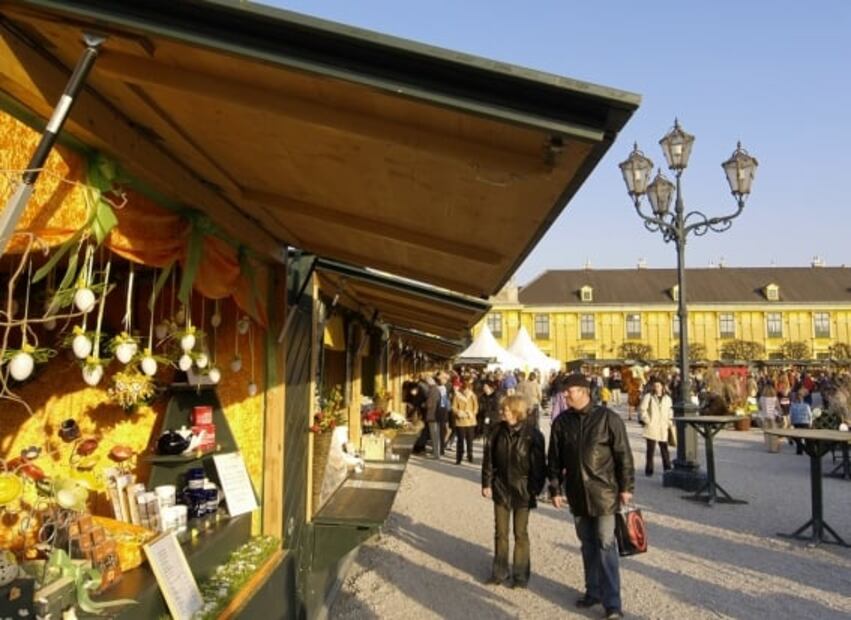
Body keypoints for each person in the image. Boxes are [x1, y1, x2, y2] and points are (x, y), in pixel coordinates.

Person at [548, 374, 634, 620]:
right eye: (565, 391)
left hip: (604, 492)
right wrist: (555, 488)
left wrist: (626, 487)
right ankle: (593, 591)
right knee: (587, 544)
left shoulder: (608, 418)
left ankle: (612, 603)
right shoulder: (562, 422)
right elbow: (554, 459)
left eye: (570, 390)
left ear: (584, 391)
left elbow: (623, 455)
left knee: (606, 544)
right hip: (577, 493)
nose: (565, 394)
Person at [481, 395, 546, 588]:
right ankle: (499, 572)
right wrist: (486, 483)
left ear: (516, 411)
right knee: (500, 532)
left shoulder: (533, 435)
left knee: (520, 533)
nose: (502, 412)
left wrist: (535, 488)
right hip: (501, 486)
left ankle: (520, 575)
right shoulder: (496, 432)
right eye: (502, 410)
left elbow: (539, 465)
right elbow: (489, 460)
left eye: (506, 410)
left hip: (523, 488)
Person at [639, 378, 673, 476]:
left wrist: (669, 421)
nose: (656, 388)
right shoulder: (648, 396)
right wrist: (647, 420)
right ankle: (649, 470)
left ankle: (667, 468)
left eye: (658, 386)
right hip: (652, 426)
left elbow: (670, 411)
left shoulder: (668, 398)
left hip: (663, 426)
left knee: (664, 449)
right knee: (650, 450)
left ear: (662, 386)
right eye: (655, 386)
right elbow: (642, 409)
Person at [452, 377, 479, 464]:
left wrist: (472, 413)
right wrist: (458, 412)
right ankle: (459, 457)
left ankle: (470, 455)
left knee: (470, 440)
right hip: (460, 422)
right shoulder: (457, 396)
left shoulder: (473, 396)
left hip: (470, 421)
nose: (466, 391)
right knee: (460, 440)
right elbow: (453, 407)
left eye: (468, 389)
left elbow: (476, 407)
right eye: (465, 389)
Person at [789, 389, 813, 455]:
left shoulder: (793, 406)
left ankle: (800, 450)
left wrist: (791, 422)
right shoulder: (806, 405)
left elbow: (791, 415)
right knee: (807, 438)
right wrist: (810, 423)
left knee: (798, 437)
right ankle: (809, 450)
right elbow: (810, 415)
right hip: (805, 422)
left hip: (797, 422)